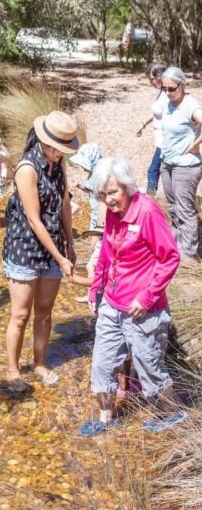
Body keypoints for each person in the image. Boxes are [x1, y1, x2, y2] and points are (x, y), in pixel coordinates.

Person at [80, 157, 184, 437]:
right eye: (102, 194)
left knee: (149, 369)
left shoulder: (147, 212)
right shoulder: (113, 213)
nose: (108, 200)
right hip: (112, 304)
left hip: (143, 310)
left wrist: (147, 297)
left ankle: (172, 415)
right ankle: (106, 419)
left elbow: (170, 257)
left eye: (112, 192)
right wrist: (95, 288)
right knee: (101, 364)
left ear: (126, 187)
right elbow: (105, 254)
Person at [1, 111, 78, 390]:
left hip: (54, 245)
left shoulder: (59, 165)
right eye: (58, 149)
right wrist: (60, 257)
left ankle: (39, 363)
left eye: (64, 150)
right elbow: (34, 220)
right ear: (45, 143)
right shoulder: (27, 168)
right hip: (25, 248)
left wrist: (69, 243)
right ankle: (12, 369)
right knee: (20, 315)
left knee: (44, 312)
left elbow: (64, 205)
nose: (61, 155)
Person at [157, 66, 202, 259]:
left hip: (186, 165)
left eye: (171, 88)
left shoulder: (190, 105)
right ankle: (175, 247)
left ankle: (188, 254)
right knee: (173, 207)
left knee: (185, 209)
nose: (167, 93)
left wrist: (196, 144)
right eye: (164, 88)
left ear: (182, 85)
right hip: (167, 162)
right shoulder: (169, 103)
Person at [69, 141, 105, 278]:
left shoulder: (99, 175)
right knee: (94, 252)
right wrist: (80, 186)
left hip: (99, 221)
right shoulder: (95, 172)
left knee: (94, 256)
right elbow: (92, 191)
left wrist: (98, 228)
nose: (82, 168)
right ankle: (94, 288)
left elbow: (101, 201)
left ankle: (93, 290)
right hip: (95, 218)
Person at [135, 61, 168, 195]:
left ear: (159, 76)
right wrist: (143, 124)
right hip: (161, 142)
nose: (151, 83)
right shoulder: (163, 91)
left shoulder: (168, 94)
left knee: (153, 171)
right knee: (158, 171)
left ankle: (150, 200)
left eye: (151, 79)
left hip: (165, 143)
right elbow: (157, 112)